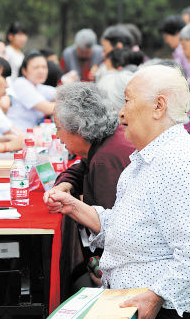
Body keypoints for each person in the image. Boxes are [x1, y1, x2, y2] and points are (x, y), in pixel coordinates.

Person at [44, 65, 190, 319]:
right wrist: (72, 205)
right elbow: (125, 223)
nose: (121, 114)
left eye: (127, 101)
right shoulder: (149, 156)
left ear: (159, 106)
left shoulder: (176, 162)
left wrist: (156, 296)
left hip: (161, 309)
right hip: (128, 297)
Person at [50, 82, 134, 296]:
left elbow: (115, 231)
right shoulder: (107, 140)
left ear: (77, 129)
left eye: (58, 127)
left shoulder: (107, 161)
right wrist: (66, 183)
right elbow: (80, 167)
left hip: (127, 271)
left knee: (74, 284)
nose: (57, 136)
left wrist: (104, 270)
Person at [7, 51, 56, 131]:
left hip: (31, 133)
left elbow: (60, 93)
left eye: (44, 67)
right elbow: (49, 108)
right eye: (36, 67)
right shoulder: (21, 84)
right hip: (17, 133)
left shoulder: (38, 86)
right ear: (24, 71)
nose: (41, 71)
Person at [159, 15, 190, 88]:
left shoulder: (183, 50)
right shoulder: (179, 50)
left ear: (176, 33)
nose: (166, 41)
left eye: (166, 36)